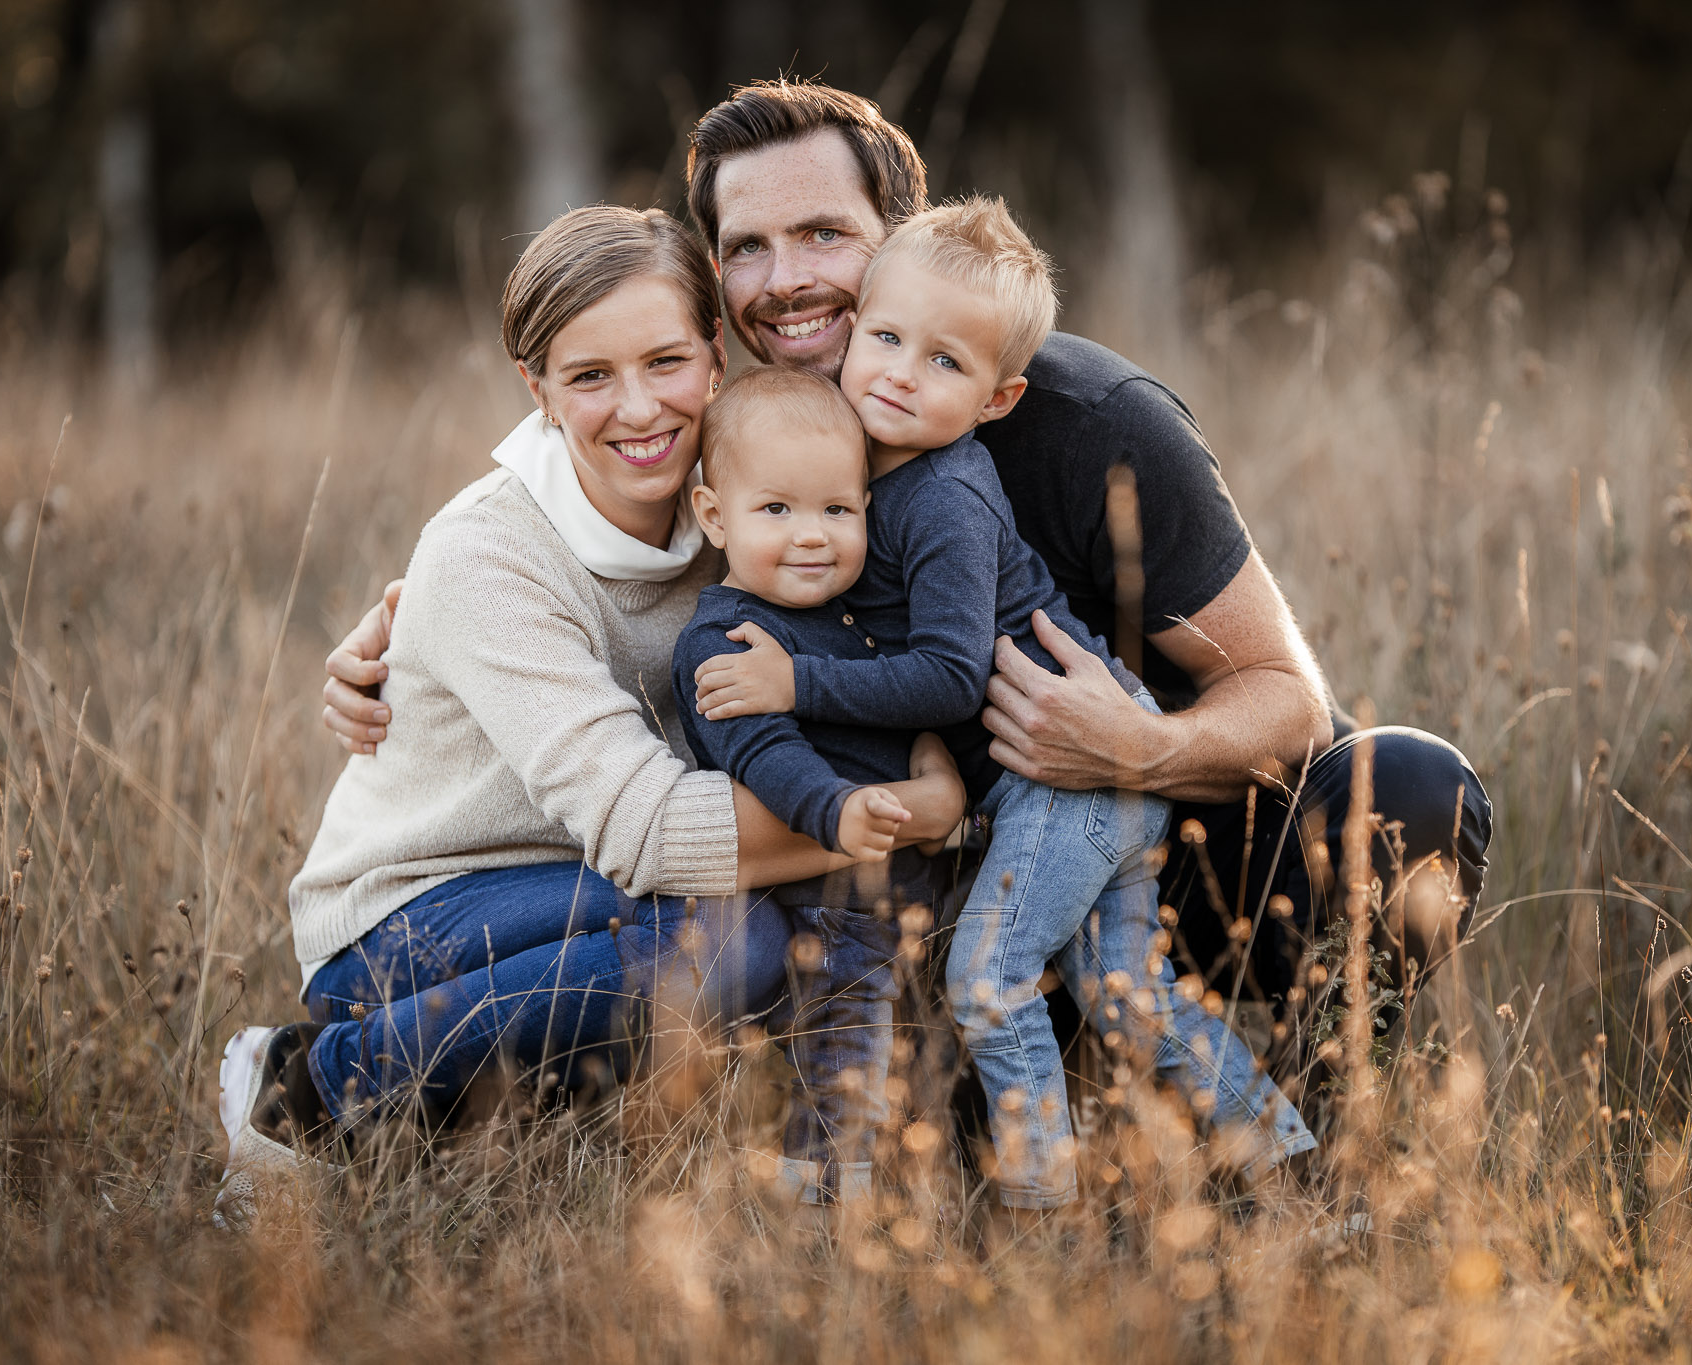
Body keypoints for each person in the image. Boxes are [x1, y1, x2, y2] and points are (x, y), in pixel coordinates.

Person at [323, 79, 1490, 1136]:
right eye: (749, 247)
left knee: (1406, 789)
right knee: (933, 1130)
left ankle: (1339, 1108)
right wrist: (408, 624)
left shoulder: (1087, 424)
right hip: (924, 907)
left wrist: (1144, 746)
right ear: (717, 285)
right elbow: (564, 518)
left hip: (1154, 848)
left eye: (824, 234)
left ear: (902, 238)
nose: (787, 279)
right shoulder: (735, 457)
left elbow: (1290, 708)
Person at [217, 204, 964, 1218]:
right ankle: (314, 1083)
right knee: (728, 945)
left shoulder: (753, 500)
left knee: (763, 934)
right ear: (535, 390)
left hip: (595, 892)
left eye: (665, 361)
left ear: (714, 355)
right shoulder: (487, 556)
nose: (639, 409)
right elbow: (654, 832)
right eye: (588, 378)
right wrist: (906, 810)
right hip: (411, 924)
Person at [689, 201, 1309, 1210]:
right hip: (1053, 787)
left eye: (942, 363)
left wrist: (792, 685)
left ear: (996, 396)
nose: (896, 371)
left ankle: (1038, 1211)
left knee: (985, 979)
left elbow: (943, 675)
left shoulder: (940, 497)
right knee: (1127, 996)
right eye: (884, 340)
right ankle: (1285, 1159)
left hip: (1076, 779)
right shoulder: (859, 461)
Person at [671, 364, 936, 1209]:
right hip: (824, 898)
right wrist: (834, 807)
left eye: (837, 509)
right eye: (776, 510)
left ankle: (886, 1169)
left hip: (897, 885)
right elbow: (761, 752)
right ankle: (826, 1194)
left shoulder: (853, 612)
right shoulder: (725, 635)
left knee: (904, 1050)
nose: (812, 534)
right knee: (844, 1043)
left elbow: (899, 694)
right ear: (715, 515)